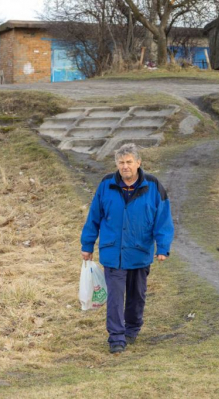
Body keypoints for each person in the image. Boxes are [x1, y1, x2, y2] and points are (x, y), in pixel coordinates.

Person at [81, 143, 174, 354]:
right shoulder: (106, 184)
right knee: (115, 297)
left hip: (139, 251)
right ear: (117, 164)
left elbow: (163, 218)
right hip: (113, 253)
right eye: (121, 162)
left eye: (129, 162)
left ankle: (132, 329)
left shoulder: (153, 185)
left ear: (138, 163)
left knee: (137, 296)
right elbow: (94, 216)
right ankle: (116, 337)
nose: (125, 167)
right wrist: (87, 244)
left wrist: (163, 246)